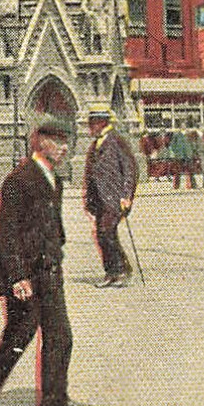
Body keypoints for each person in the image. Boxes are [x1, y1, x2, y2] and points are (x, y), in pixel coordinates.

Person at [0, 118, 90, 406]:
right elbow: (7, 233)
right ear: (41, 143)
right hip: (25, 275)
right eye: (59, 142)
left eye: (67, 142)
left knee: (60, 336)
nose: (65, 148)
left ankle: (54, 401)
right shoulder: (19, 179)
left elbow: (53, 225)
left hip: (50, 271)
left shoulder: (57, 179)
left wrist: (58, 247)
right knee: (20, 334)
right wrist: (16, 277)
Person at [83, 110, 136, 287]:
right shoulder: (94, 145)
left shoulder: (116, 140)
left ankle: (120, 270)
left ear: (102, 123)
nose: (90, 128)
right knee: (102, 234)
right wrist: (88, 198)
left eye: (92, 124)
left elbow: (129, 169)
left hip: (114, 198)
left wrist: (126, 195)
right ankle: (113, 272)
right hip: (99, 199)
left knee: (106, 233)